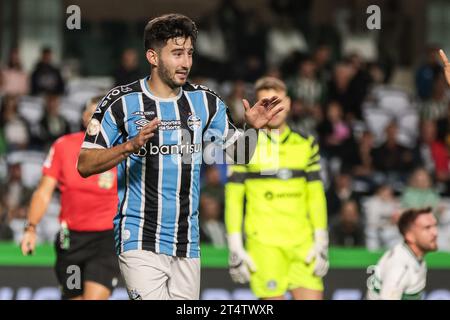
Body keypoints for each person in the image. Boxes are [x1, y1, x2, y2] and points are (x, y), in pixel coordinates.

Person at [76, 14, 284, 300]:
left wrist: (252, 130)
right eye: (176, 54)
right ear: (152, 56)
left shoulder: (206, 101)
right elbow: (84, 164)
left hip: (188, 242)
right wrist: (128, 147)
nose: (186, 63)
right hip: (139, 237)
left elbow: (242, 156)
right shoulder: (121, 102)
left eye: (189, 53)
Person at [225, 77, 328, 300]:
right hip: (264, 246)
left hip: (303, 245)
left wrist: (321, 239)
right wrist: (235, 246)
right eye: (266, 103)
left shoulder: (306, 143)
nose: (273, 109)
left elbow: (316, 194)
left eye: (278, 101)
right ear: (256, 106)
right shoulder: (243, 146)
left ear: (289, 103)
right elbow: (233, 198)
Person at [20, 96, 120, 300]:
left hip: (106, 240)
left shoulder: (120, 150)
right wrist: (31, 228)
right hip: (70, 242)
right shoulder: (63, 146)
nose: (100, 120)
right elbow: (43, 191)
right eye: (95, 114)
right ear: (85, 118)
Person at [366, 207, 438, 300]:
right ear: (410, 236)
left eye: (435, 226)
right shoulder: (400, 266)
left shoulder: (413, 257)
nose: (435, 232)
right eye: (427, 228)